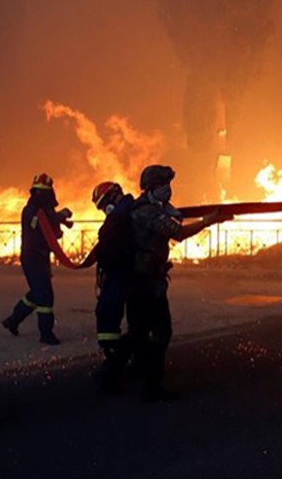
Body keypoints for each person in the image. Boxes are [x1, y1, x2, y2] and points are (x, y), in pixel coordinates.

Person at [129, 164, 231, 401]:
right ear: (151, 187)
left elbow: (173, 215)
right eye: (163, 185)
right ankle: (151, 384)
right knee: (161, 331)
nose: (168, 189)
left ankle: (125, 371)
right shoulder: (148, 213)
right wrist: (207, 221)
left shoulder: (150, 208)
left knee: (139, 331)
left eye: (168, 184)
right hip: (147, 282)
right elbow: (178, 233)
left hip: (141, 279)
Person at [1, 173, 73, 345]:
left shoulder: (46, 209)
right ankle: (46, 334)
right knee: (45, 296)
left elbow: (51, 230)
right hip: (32, 257)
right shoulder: (31, 210)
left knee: (37, 293)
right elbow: (41, 225)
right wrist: (60, 216)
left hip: (41, 257)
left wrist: (59, 224)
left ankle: (13, 320)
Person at [90, 181, 135, 394]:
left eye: (103, 204)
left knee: (108, 315)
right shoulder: (122, 213)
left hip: (120, 274)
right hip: (116, 274)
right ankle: (113, 364)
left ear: (113, 196)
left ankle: (112, 369)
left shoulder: (122, 214)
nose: (103, 210)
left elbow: (116, 247)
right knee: (108, 317)